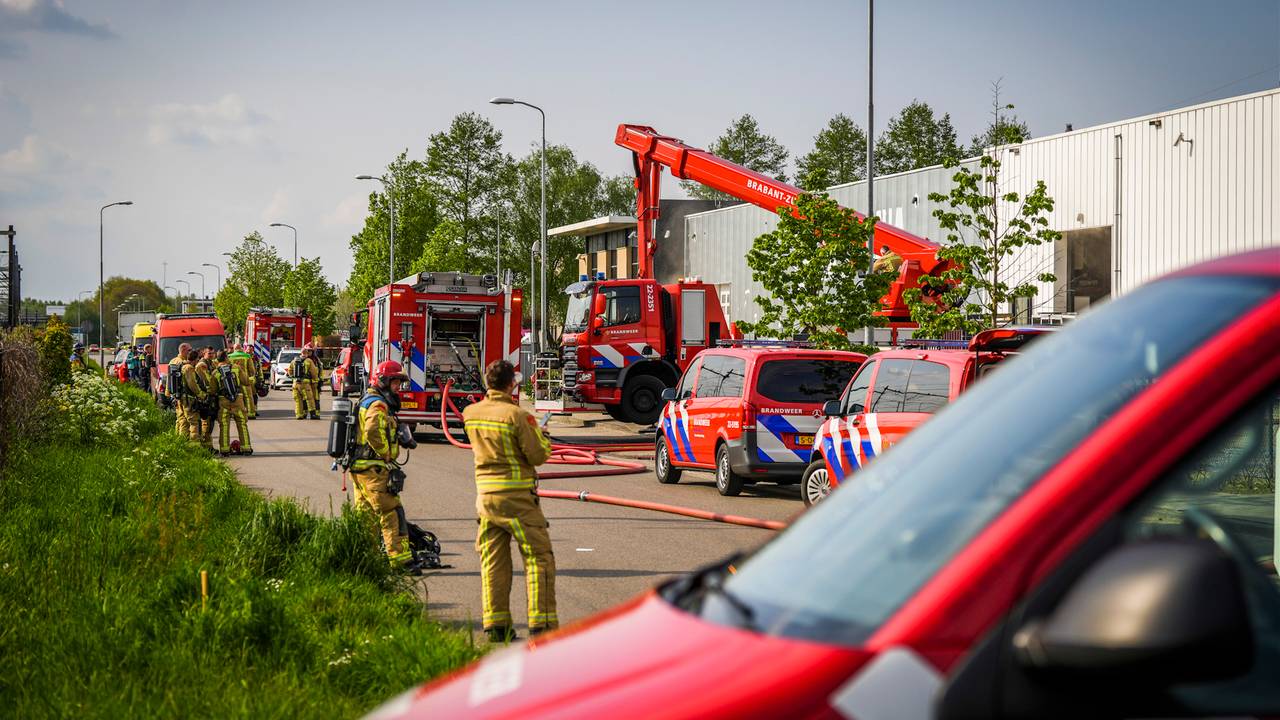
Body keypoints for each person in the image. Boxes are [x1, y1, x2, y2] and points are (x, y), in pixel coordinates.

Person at [462, 359, 556, 642]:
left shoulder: (471, 413)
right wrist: (544, 438)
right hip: (517, 500)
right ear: (512, 384)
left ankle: (495, 625)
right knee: (538, 558)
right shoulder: (518, 416)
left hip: (486, 499)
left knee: (493, 561)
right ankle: (542, 626)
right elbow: (537, 455)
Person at [349, 360, 418, 571]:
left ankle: (365, 561)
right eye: (396, 382)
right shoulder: (377, 404)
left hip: (360, 469)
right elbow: (371, 430)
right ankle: (400, 562)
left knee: (366, 517)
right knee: (391, 511)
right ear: (384, 381)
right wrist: (386, 453)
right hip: (373, 469)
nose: (398, 387)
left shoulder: (367, 399)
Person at [214, 350, 252, 456]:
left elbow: (212, 390)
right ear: (226, 358)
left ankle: (225, 450)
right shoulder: (236, 368)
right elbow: (246, 381)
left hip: (223, 401)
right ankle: (246, 448)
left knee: (224, 425)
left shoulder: (215, 372)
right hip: (237, 400)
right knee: (241, 423)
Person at [167, 342, 193, 436]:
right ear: (183, 350)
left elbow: (168, 379)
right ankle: (183, 440)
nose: (191, 351)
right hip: (181, 394)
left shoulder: (172, 361)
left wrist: (168, 392)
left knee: (179, 418)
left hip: (174, 393)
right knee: (183, 420)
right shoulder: (181, 362)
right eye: (189, 350)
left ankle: (176, 437)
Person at [229, 344, 259, 419]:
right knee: (248, 397)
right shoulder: (247, 356)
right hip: (245, 380)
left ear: (234, 348)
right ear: (241, 348)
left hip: (233, 381)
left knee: (234, 397)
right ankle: (250, 414)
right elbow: (252, 370)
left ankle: (234, 414)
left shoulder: (229, 357)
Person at [292, 345, 321, 420]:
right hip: (305, 383)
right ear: (307, 354)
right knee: (309, 399)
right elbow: (314, 372)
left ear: (300, 353)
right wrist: (315, 381)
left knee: (298, 400)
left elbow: (289, 371)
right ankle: (313, 414)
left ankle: (299, 415)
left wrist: (294, 378)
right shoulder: (309, 361)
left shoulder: (294, 360)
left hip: (295, 384)